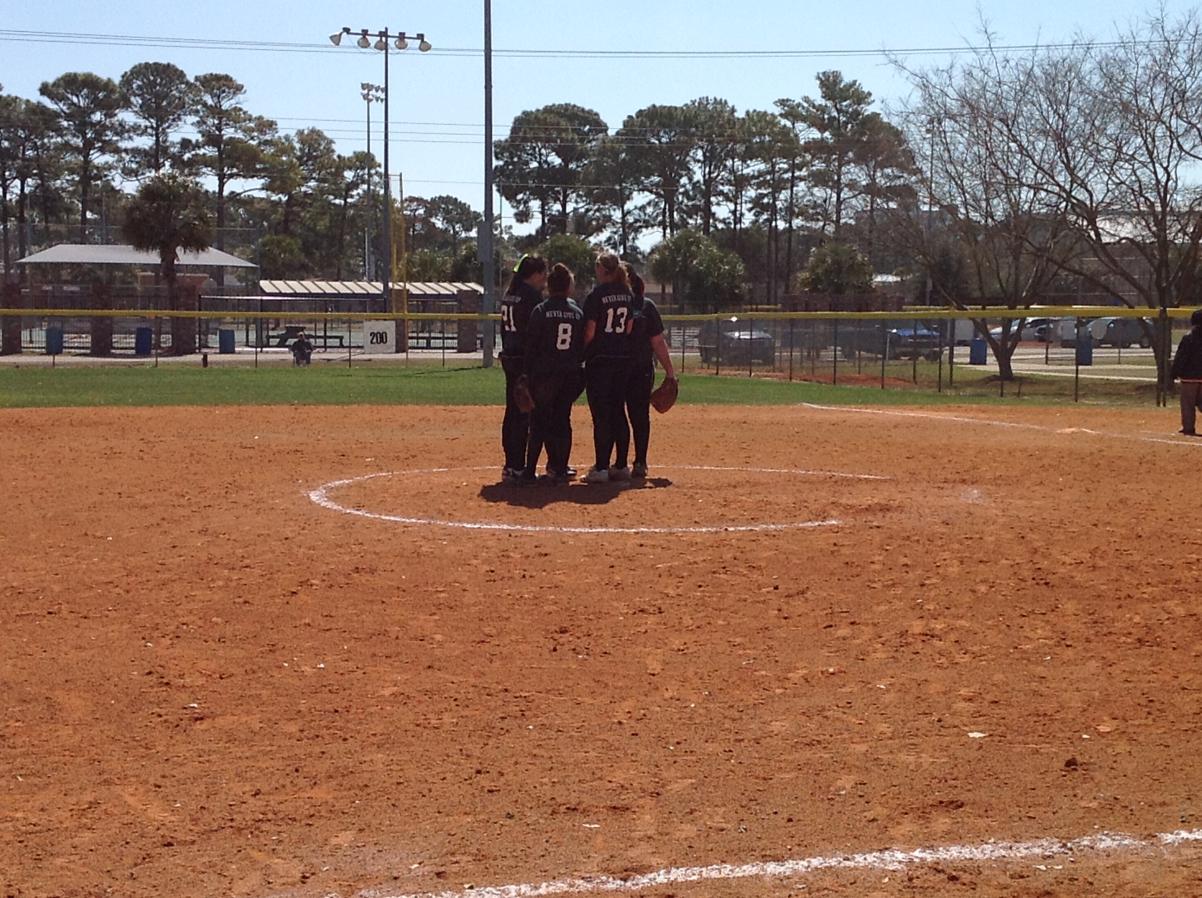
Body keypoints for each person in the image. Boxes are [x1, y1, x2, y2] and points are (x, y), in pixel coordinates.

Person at [522, 264, 585, 484]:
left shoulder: (541, 310)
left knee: (539, 421)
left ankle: (530, 470)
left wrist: (526, 376)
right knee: (562, 419)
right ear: (568, 287)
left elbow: (531, 347)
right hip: (569, 374)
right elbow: (581, 347)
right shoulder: (577, 313)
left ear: (549, 286)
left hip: (545, 375)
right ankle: (559, 468)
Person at [617, 265, 677, 479]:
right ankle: (620, 462)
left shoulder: (646, 306)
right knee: (617, 415)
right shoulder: (612, 305)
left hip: (640, 369)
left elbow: (658, 341)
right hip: (615, 369)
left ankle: (640, 461)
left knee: (639, 415)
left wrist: (670, 372)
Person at [581, 252, 635, 483]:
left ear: (603, 270)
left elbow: (590, 331)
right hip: (622, 359)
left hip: (600, 360)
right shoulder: (627, 294)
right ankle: (621, 465)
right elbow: (629, 328)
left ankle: (601, 467)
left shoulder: (597, 294)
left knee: (601, 414)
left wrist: (581, 351)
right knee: (618, 411)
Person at [499, 254, 548, 483]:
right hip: (524, 361)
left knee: (512, 412)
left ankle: (510, 465)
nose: (545, 279)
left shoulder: (510, 293)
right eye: (543, 274)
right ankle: (518, 466)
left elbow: (503, 329)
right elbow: (534, 334)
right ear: (535, 274)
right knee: (523, 414)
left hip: (509, 357)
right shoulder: (531, 295)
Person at [1170, 308, 1202, 436]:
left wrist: (1174, 372)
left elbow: (1181, 357)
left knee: (1188, 403)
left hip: (1190, 377)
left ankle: (1188, 428)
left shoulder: (1188, 337)